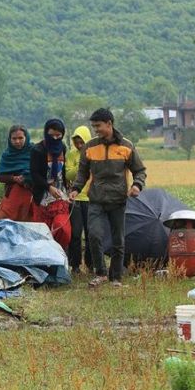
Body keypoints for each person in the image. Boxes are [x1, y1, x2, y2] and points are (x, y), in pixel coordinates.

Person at [69, 108, 146, 288]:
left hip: (118, 199)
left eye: (98, 126)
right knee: (94, 236)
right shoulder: (90, 147)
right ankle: (101, 273)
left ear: (109, 124)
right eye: (94, 126)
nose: (96, 130)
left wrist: (137, 185)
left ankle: (116, 277)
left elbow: (140, 170)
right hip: (95, 198)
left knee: (118, 240)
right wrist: (75, 189)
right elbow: (82, 173)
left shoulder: (126, 146)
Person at [30, 118, 72, 253]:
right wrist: (48, 187)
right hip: (42, 197)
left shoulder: (63, 148)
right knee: (42, 235)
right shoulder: (38, 150)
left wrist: (68, 186)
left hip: (60, 196)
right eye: (52, 135)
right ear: (46, 133)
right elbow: (35, 174)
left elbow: (63, 170)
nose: (55, 138)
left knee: (63, 229)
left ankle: (59, 254)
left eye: (58, 135)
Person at [65, 125, 93, 274]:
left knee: (91, 234)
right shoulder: (71, 154)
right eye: (76, 142)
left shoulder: (95, 153)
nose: (79, 145)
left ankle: (91, 264)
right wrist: (81, 163)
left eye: (82, 142)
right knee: (75, 234)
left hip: (90, 199)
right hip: (75, 199)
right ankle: (75, 265)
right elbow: (69, 175)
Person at [0, 124, 34, 222]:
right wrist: (14, 178)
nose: (17, 141)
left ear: (26, 137)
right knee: (3, 221)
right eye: (14, 138)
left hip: (33, 193)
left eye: (20, 138)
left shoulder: (35, 151)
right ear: (10, 139)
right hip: (13, 194)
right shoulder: (7, 155)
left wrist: (27, 178)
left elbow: (42, 172)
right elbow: (0, 176)